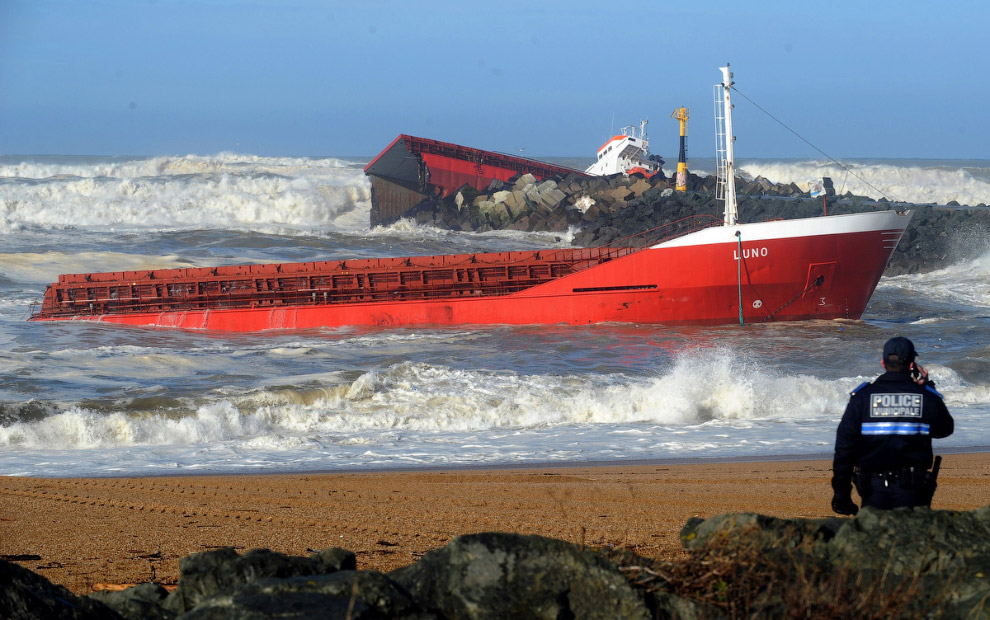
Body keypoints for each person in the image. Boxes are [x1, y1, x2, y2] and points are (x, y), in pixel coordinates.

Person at [831, 336, 953, 515]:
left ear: (883, 363)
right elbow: (944, 429)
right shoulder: (925, 397)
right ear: (912, 365)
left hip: (873, 491)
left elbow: (844, 448)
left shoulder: (863, 397)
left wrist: (841, 492)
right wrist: (927, 386)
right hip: (913, 492)